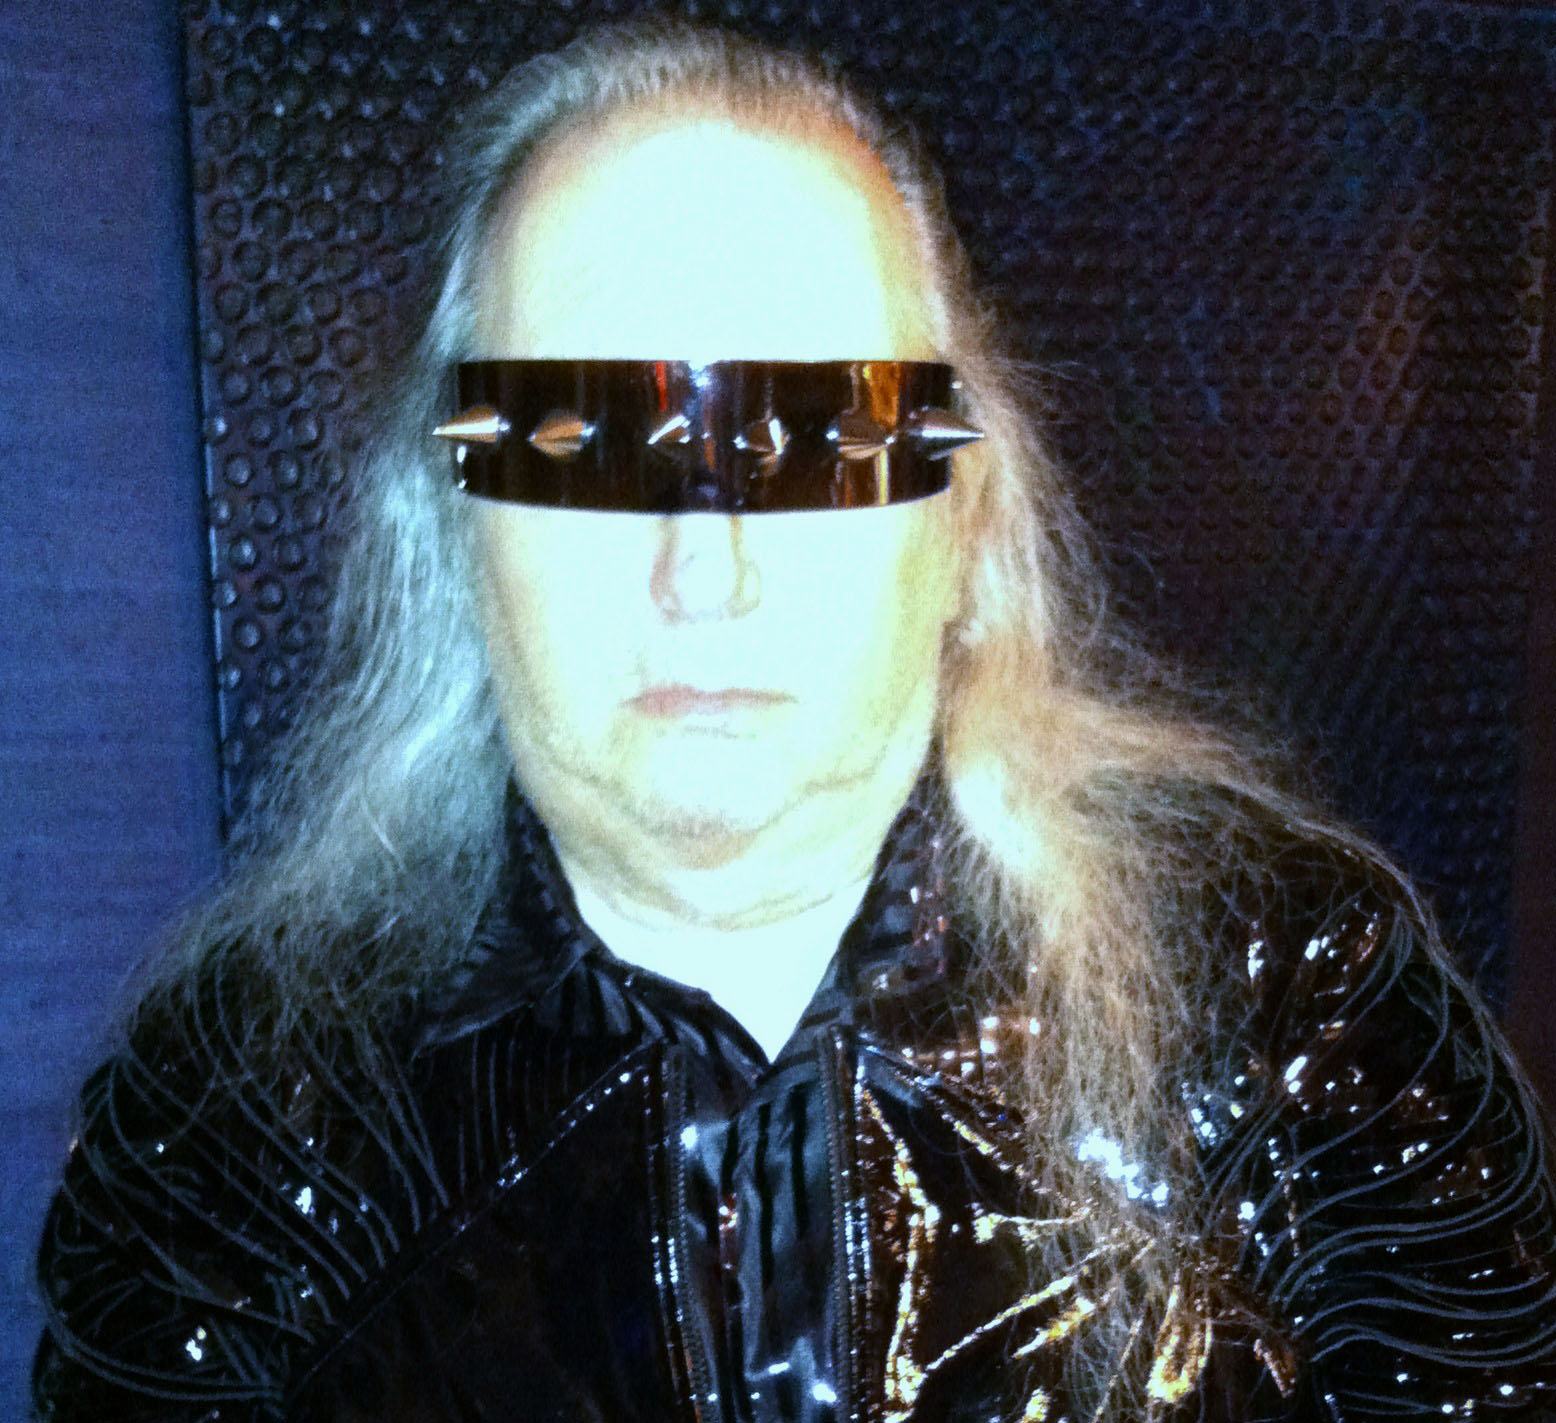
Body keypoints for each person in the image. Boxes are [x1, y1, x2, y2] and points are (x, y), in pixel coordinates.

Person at [32, 18, 1556, 1423]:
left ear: (962, 525)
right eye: (578, 438)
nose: (706, 568)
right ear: (455, 533)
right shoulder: (245, 1112)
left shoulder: (1290, 995)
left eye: (824, 434)